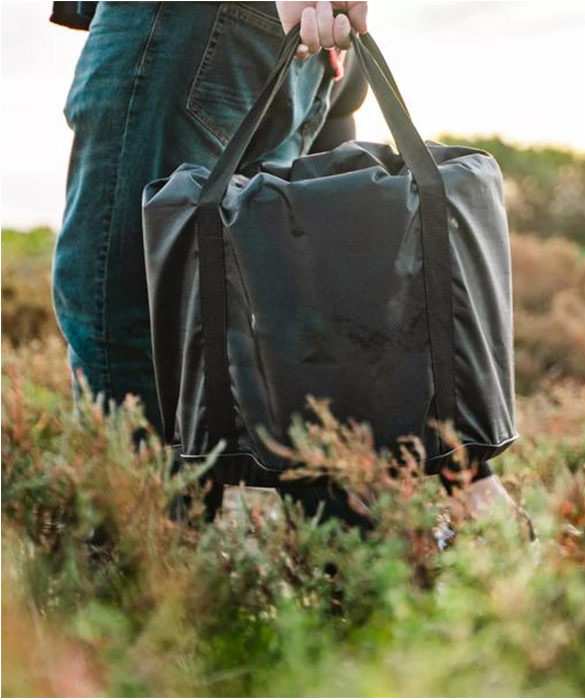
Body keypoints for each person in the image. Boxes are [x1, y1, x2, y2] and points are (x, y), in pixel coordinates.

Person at [52, 1, 517, 528]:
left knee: (121, 306)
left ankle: (148, 578)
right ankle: (362, 570)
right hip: (290, 41)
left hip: (194, 23)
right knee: (315, 299)